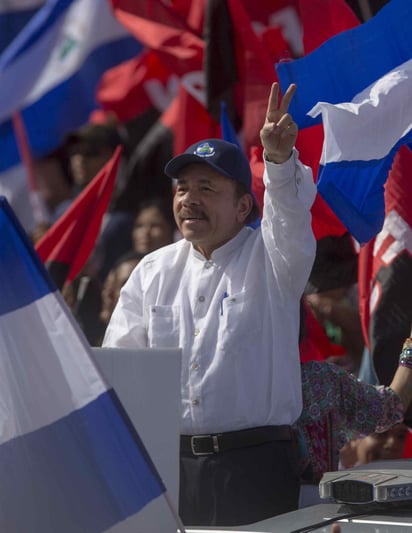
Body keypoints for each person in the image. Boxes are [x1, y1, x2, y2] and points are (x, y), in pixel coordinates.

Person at [103, 82, 317, 526]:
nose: (188, 199)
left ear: (243, 206)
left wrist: (277, 161)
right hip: (169, 468)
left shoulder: (275, 260)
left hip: (254, 468)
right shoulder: (151, 271)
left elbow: (290, 215)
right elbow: (121, 368)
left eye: (206, 187)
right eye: (182, 189)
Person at [296, 336, 412, 487]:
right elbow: (389, 407)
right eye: (380, 435)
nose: (392, 444)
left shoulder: (317, 379)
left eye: (401, 436)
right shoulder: (318, 381)